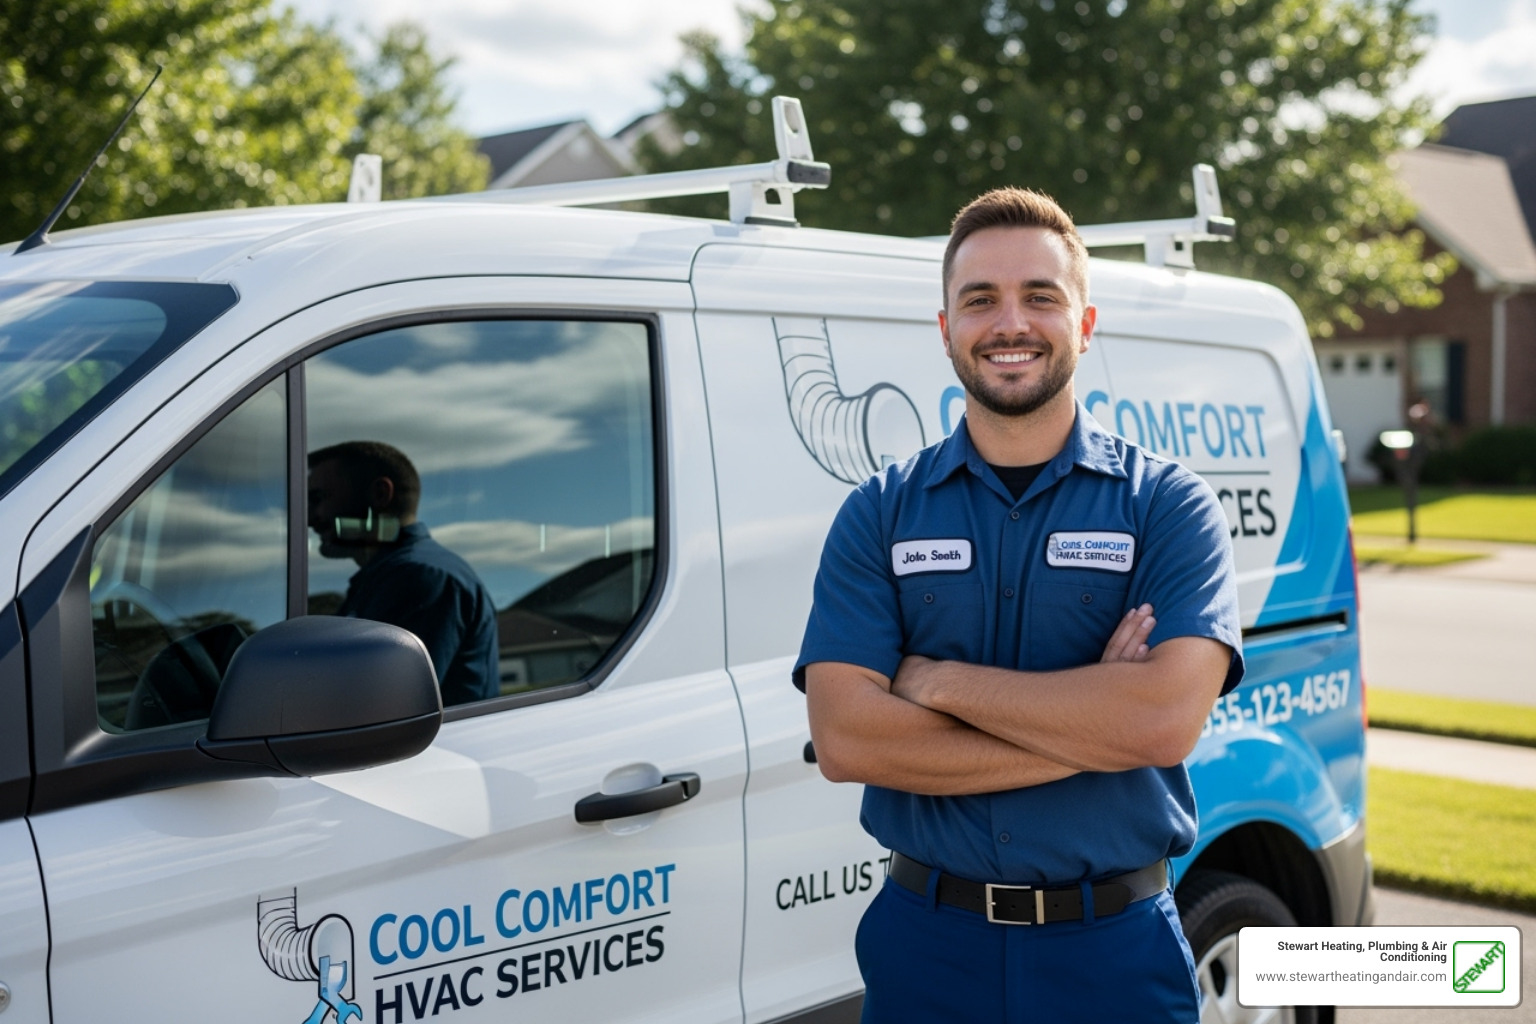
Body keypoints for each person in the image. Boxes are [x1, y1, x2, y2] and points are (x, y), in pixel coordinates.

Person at [794, 187, 1243, 1022]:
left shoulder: (1168, 506)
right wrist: (1094, 723)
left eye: (1041, 296)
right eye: (980, 300)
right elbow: (848, 737)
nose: (1010, 323)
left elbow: (1162, 723)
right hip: (927, 946)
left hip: (1112, 953)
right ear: (945, 329)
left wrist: (937, 683)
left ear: (1085, 322)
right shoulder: (880, 511)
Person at [308, 440, 499, 706]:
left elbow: (379, 708)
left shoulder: (419, 577)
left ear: (380, 494)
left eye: (318, 499)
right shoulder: (394, 575)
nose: (309, 518)